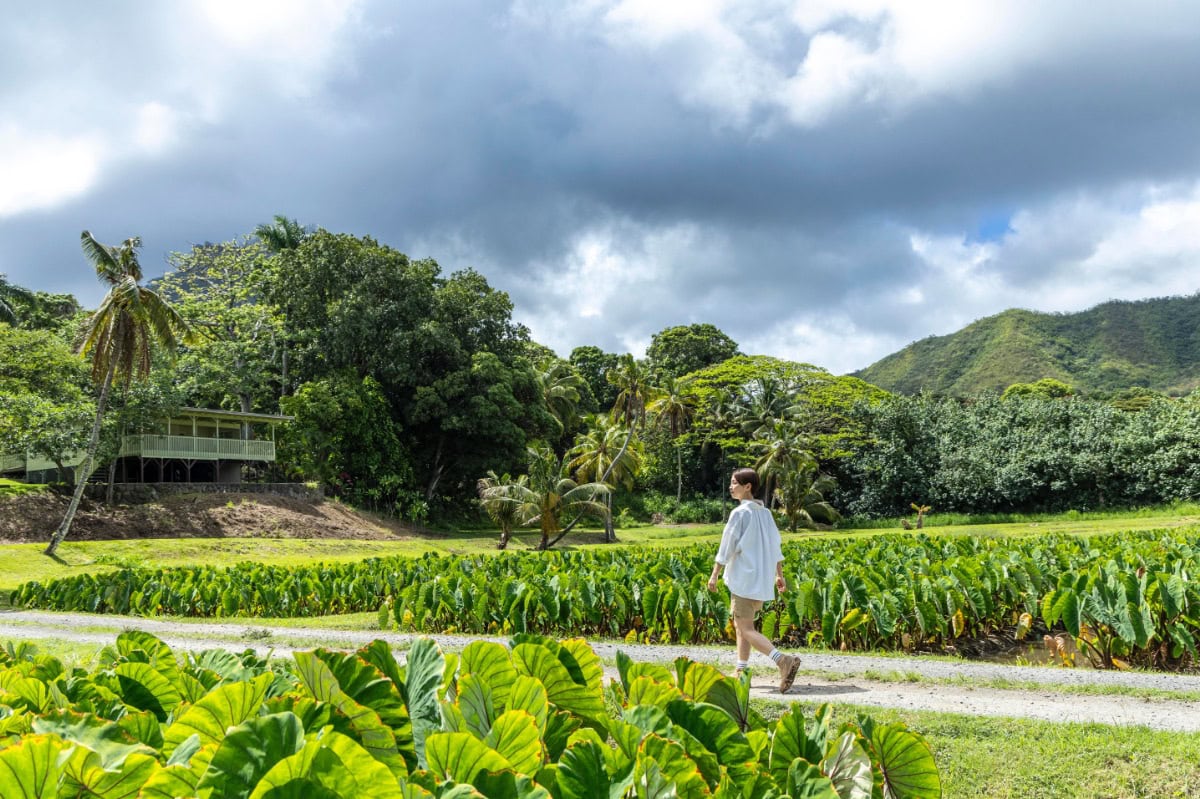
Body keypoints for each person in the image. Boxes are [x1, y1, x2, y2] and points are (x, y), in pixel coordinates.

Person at [707, 467, 800, 692]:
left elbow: (726, 546)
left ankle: (782, 660)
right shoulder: (765, 513)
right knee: (743, 627)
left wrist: (714, 574)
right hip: (761, 580)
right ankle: (741, 669)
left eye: (734, 483)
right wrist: (779, 575)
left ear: (747, 486)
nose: (731, 487)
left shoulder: (740, 513)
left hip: (743, 579)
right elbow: (776, 547)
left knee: (745, 627)